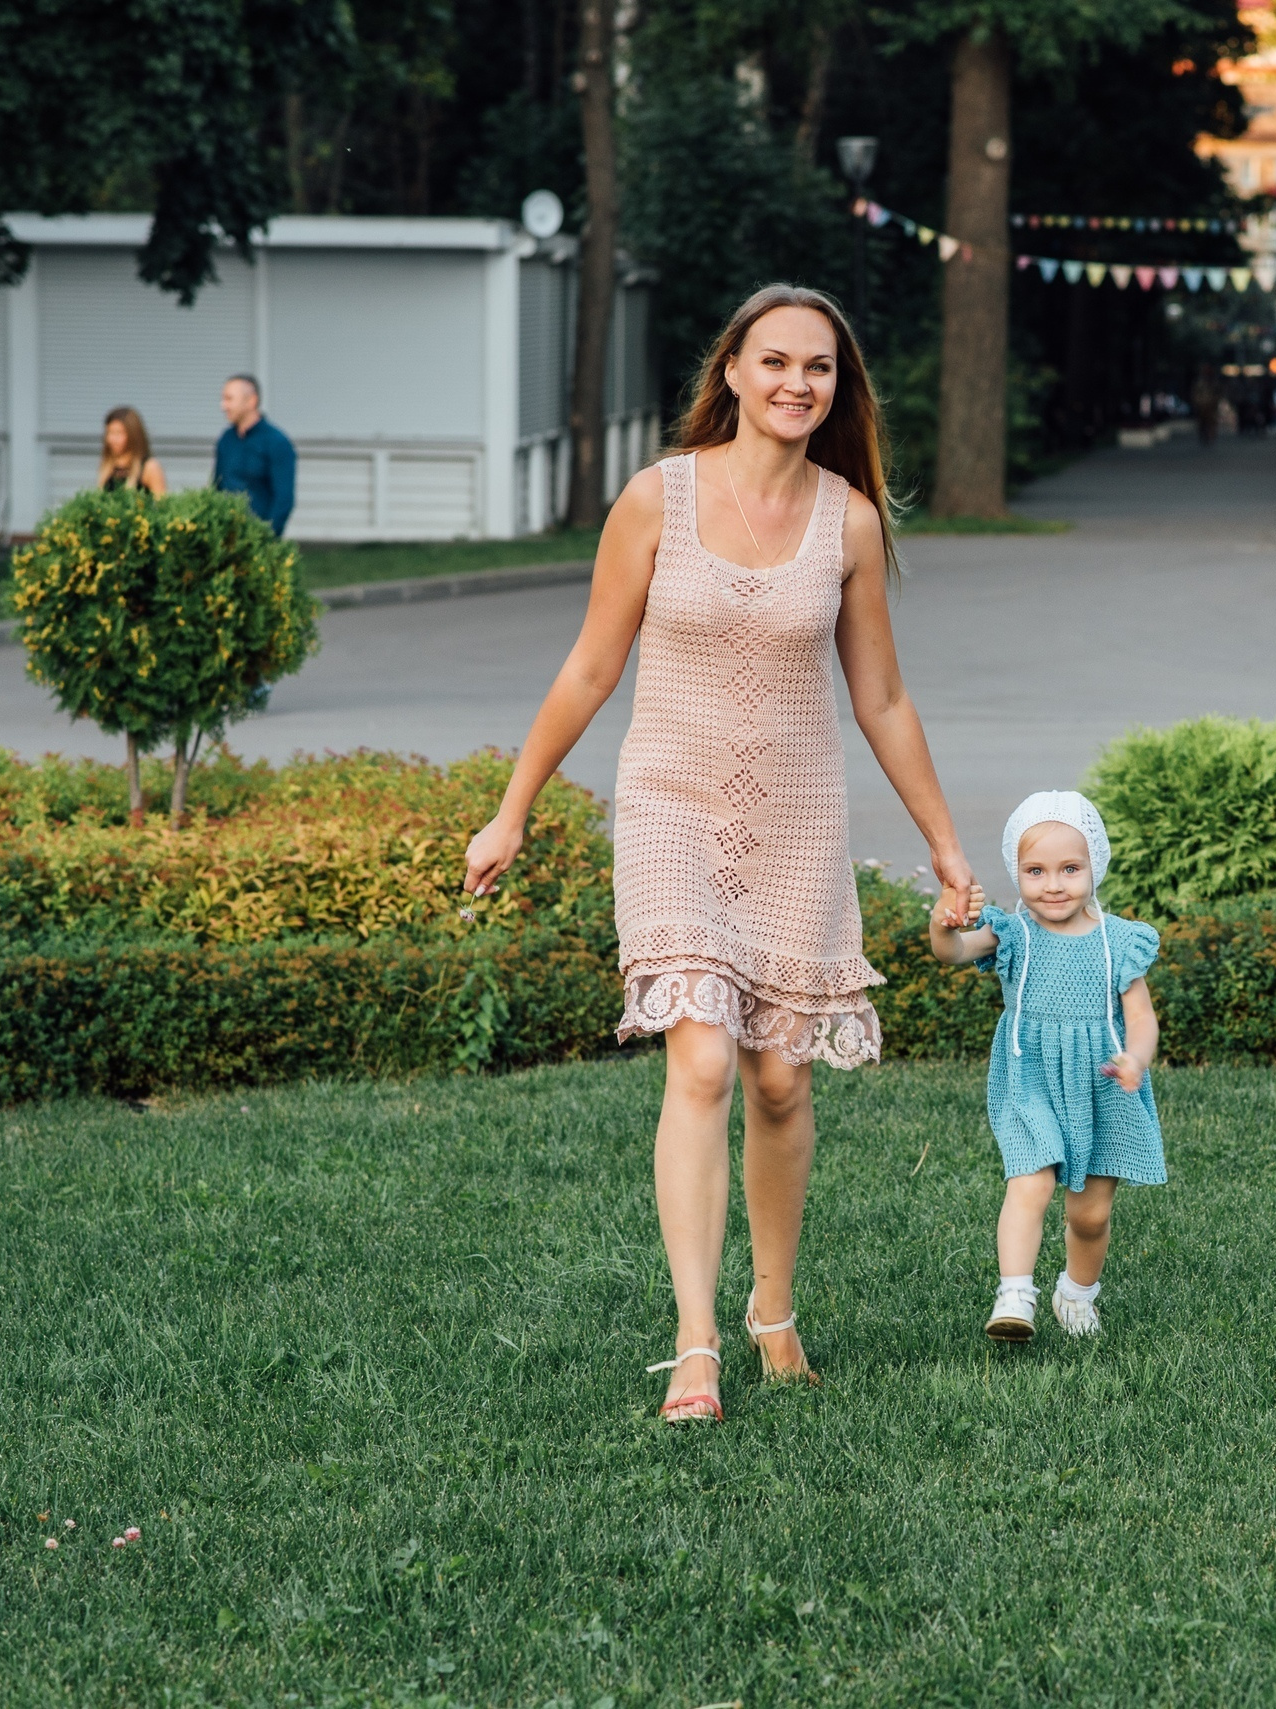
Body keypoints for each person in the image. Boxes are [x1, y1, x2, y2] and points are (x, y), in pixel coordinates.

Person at [463, 284, 975, 1425]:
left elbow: (881, 696)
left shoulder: (848, 520)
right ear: (733, 373)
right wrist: (513, 809)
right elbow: (591, 667)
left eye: (821, 368)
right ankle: (693, 1343)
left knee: (781, 1082)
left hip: (796, 819)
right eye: (776, 361)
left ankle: (772, 1309)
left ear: (838, 389)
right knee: (698, 1054)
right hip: (669, 806)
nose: (799, 382)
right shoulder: (656, 499)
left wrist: (946, 846)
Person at [925, 792, 1162, 1343]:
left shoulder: (1119, 941)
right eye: (1035, 871)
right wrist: (944, 925)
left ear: (1094, 868)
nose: (1053, 885)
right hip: (1029, 1076)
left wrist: (1137, 1057)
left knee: (1090, 1215)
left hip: (1103, 1084)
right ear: (1017, 872)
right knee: (1029, 1184)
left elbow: (1142, 1018)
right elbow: (954, 952)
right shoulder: (1014, 933)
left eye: (1069, 869)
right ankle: (1016, 1293)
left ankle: (1076, 1293)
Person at [213, 374, 295, 536]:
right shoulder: (226, 440)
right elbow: (217, 487)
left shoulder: (276, 442)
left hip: (259, 537)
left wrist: (266, 537)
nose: (223, 406)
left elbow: (283, 499)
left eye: (229, 399)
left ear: (251, 401)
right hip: (226, 537)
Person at [96, 406, 167, 496]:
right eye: (109, 433)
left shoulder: (149, 467)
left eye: (118, 433)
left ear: (133, 435)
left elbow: (162, 505)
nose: (112, 439)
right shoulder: (109, 466)